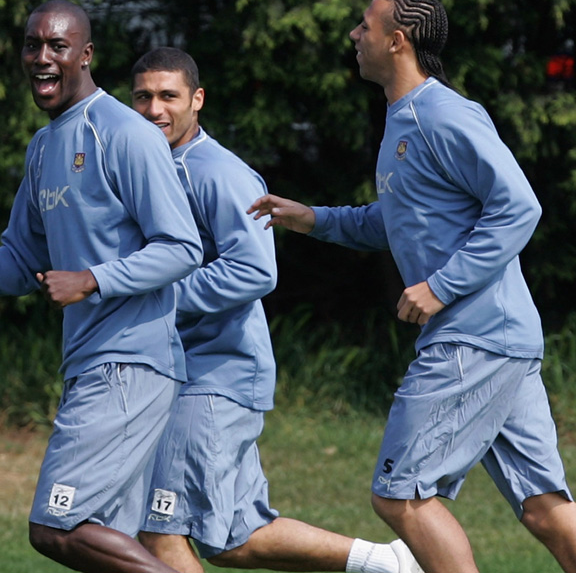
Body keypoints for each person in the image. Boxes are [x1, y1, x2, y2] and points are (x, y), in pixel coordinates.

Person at [248, 0, 576, 573]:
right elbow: (395, 222)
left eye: (364, 26)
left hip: (472, 338)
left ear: (397, 41)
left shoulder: (441, 114)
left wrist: (443, 286)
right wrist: (312, 219)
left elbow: (519, 207)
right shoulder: (404, 119)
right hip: (500, 339)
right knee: (545, 506)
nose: (354, 35)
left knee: (400, 496)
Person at [0, 0, 203, 573]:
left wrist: (93, 280)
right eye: (32, 45)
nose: (42, 57)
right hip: (92, 366)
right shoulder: (43, 149)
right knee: (106, 545)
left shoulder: (124, 133)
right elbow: (20, 263)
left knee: (56, 525)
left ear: (85, 55)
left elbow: (182, 247)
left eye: (57, 46)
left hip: (130, 366)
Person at [129, 47, 422, 573]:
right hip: (181, 379)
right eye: (143, 97)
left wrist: (155, 299)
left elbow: (255, 271)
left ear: (196, 100)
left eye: (168, 96)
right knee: (234, 538)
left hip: (213, 378)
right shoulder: (148, 168)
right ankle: (387, 564)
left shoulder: (217, 173)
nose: (155, 110)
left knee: (158, 532)